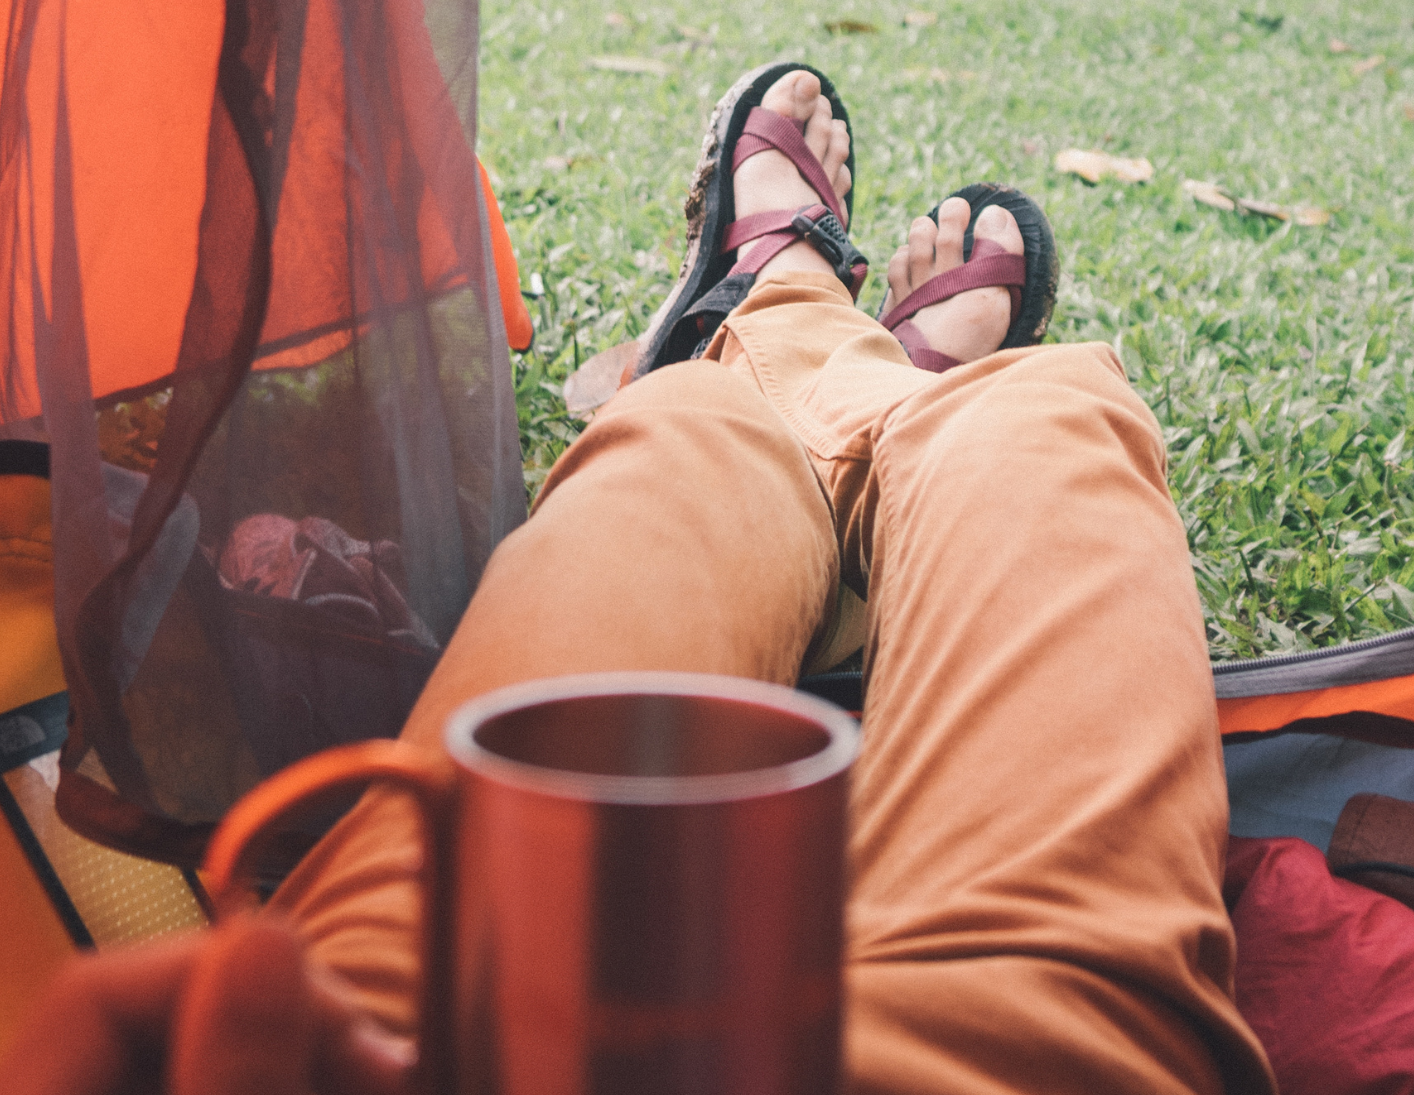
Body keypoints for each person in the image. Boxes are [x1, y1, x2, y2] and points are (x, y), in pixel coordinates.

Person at [1, 67, 1274, 1095]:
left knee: (693, 434)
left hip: (418, 1018)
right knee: (1052, 415)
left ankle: (773, 321)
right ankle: (873, 377)